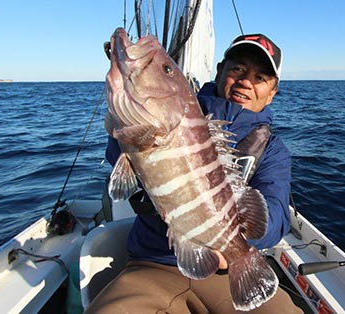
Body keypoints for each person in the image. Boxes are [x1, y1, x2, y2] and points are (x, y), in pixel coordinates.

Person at [87, 34, 302, 313]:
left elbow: (275, 214)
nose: (246, 81)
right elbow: (120, 164)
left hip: (224, 274)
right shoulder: (183, 109)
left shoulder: (273, 150)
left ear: (272, 93)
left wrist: (238, 248)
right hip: (153, 264)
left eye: (260, 77)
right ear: (219, 70)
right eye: (237, 69)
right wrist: (125, 116)